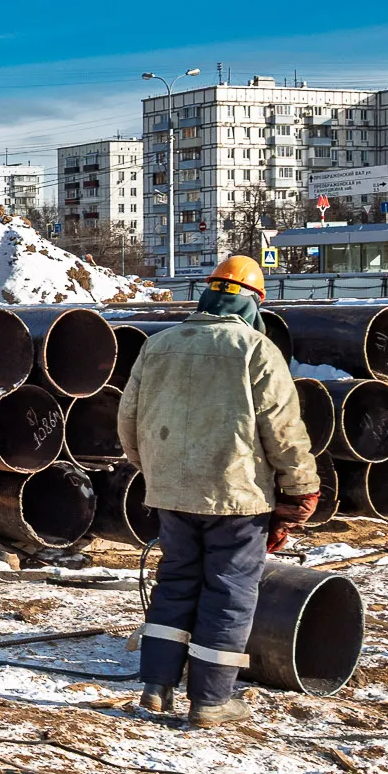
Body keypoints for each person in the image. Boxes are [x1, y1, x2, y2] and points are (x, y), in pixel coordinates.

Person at [116, 255, 319, 728]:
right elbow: (283, 430)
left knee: (177, 580)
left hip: (171, 494)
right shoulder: (255, 349)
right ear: (254, 303)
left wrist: (155, 470)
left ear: (207, 295)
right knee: (228, 591)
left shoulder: (158, 346)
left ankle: (156, 687)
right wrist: (301, 488)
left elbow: (128, 421)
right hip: (236, 498)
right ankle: (210, 701)